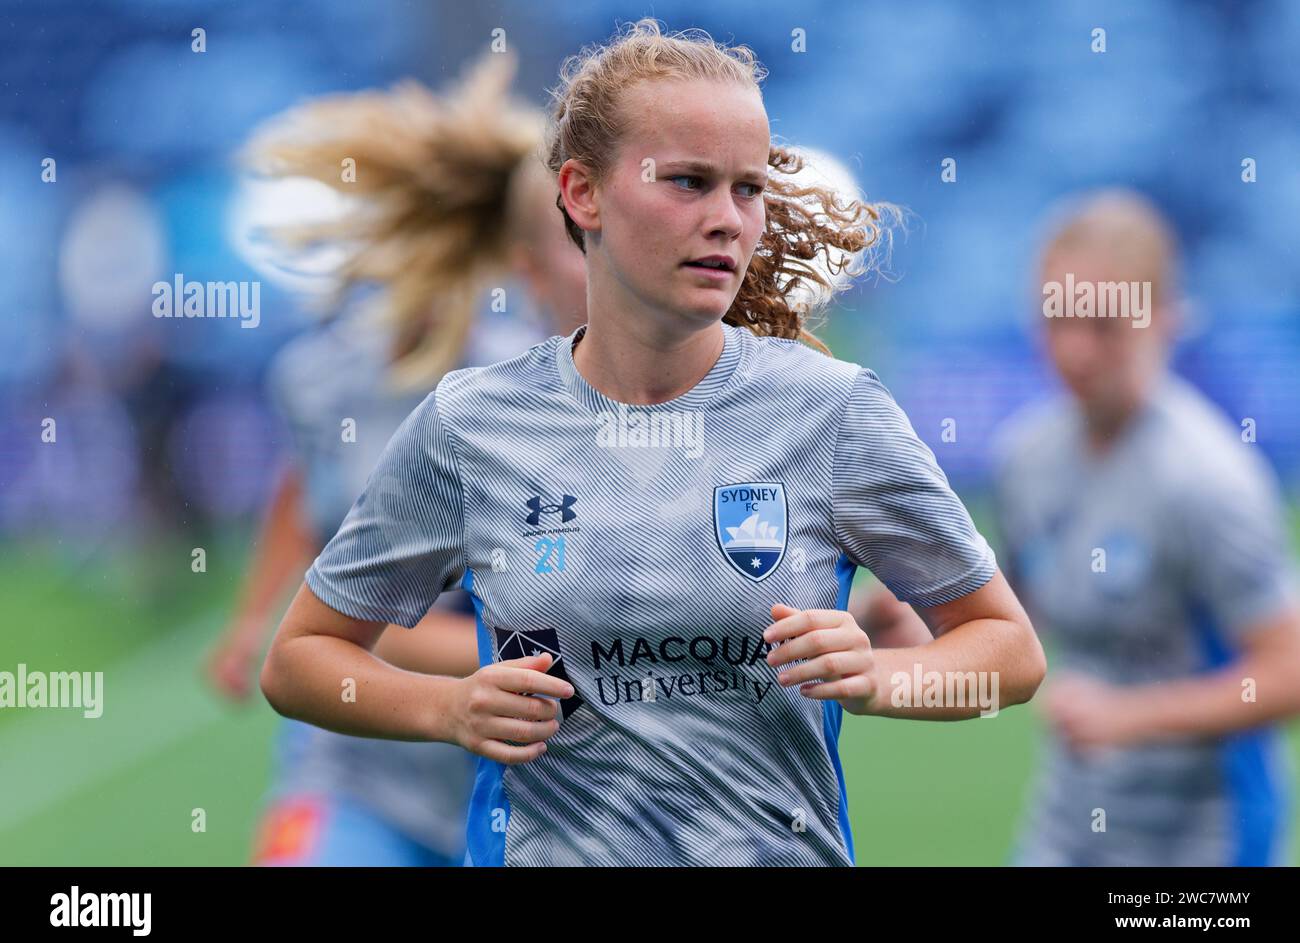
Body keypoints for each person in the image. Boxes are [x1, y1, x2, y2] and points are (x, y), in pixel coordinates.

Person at [261, 19, 1045, 867]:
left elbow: (1009, 653)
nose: (727, 221)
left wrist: (881, 679)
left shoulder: (833, 412)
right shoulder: (471, 425)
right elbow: (302, 658)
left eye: (747, 189)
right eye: (688, 182)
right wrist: (447, 710)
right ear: (582, 194)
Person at [205, 52, 587, 865]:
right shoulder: (320, 379)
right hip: (359, 779)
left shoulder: (520, 384)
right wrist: (250, 621)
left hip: (519, 796)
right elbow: (314, 500)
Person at [988, 189, 1300, 866]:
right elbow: (1016, 603)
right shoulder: (1028, 457)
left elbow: (1289, 672)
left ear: (1164, 320)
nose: (1074, 350)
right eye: (1057, 318)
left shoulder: (1207, 479)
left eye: (1103, 325)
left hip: (1203, 845)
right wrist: (914, 620)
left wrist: (1131, 716)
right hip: (1067, 830)